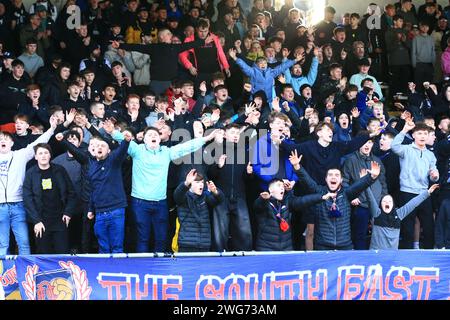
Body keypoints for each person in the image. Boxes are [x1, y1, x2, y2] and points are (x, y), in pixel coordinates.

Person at [107, 121, 219, 253]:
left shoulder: (167, 152)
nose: (153, 136)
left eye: (156, 134)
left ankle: (159, 269)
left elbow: (186, 147)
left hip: (160, 202)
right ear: (144, 139)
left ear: (160, 139)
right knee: (142, 238)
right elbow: (124, 139)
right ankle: (143, 269)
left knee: (161, 238)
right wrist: (112, 132)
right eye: (150, 135)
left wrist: (206, 138)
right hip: (140, 202)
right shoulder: (137, 150)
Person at [290, 150, 381, 250]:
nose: (333, 177)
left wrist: (372, 177)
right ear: (326, 179)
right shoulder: (319, 191)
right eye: (330, 175)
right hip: (323, 246)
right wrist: (297, 167)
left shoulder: (346, 193)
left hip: (345, 245)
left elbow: (359, 186)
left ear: (341, 180)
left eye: (337, 175)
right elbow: (307, 180)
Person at [0, 115, 57, 255]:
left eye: (6, 139)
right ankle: (3, 276)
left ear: (12, 143)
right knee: (2, 245)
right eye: (0, 139)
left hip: (18, 204)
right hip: (0, 206)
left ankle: (25, 275)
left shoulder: (20, 155)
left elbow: (37, 144)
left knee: (24, 243)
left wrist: (52, 129)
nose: (3, 141)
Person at [112, 27, 214, 95]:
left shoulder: (175, 47)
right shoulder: (153, 47)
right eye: (168, 34)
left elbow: (189, 45)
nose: (171, 35)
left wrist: (203, 42)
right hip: (156, 84)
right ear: (161, 37)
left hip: (172, 83)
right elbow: (137, 47)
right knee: (157, 108)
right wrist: (120, 45)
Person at [392, 120, 439, 249]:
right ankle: (408, 257)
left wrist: (435, 176)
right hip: (407, 192)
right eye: (419, 133)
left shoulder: (430, 154)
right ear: (413, 135)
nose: (422, 136)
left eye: (425, 133)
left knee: (429, 227)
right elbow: (394, 146)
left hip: (424, 193)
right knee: (407, 228)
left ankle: (429, 256)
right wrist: (404, 130)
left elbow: (434, 172)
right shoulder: (406, 149)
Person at [23, 143, 77, 254]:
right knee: (44, 254)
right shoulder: (30, 174)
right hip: (41, 222)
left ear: (50, 155)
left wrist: (68, 212)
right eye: (40, 153)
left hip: (60, 219)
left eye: (46, 153)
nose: (43, 156)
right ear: (36, 157)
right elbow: (28, 199)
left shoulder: (60, 170)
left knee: (62, 252)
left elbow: (72, 193)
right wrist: (36, 221)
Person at [253, 178, 336, 251]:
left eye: (283, 186)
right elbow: (258, 205)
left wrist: (321, 197)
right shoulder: (264, 203)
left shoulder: (287, 202)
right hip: (266, 249)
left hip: (286, 249)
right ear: (270, 189)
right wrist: (262, 199)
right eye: (278, 185)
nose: (282, 188)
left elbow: (303, 200)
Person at [368, 182, 439, 250]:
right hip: (375, 254)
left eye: (390, 201)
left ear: (393, 205)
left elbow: (413, 203)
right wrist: (365, 181)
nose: (387, 203)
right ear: (380, 204)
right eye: (384, 201)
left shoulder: (398, 214)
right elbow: (370, 198)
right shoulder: (377, 213)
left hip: (392, 256)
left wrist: (427, 193)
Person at [173, 169, 224, 252]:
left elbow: (220, 200)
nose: (201, 185)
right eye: (197, 182)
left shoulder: (206, 197)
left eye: (202, 182)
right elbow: (177, 195)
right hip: (186, 244)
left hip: (204, 245)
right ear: (190, 185)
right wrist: (186, 183)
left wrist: (215, 192)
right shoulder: (183, 197)